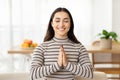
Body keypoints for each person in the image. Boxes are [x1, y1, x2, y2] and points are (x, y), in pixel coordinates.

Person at [30, 7, 93, 80]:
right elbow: (33, 74)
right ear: (52, 24)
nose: (61, 24)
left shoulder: (79, 47)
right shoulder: (41, 47)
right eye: (57, 21)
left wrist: (67, 64)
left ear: (70, 24)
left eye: (66, 21)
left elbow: (90, 73)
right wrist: (57, 65)